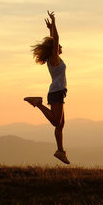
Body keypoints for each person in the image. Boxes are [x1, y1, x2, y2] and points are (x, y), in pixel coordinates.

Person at [24, 11, 70, 164]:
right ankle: (38, 103)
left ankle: (60, 151)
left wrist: (50, 28)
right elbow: (56, 40)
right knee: (57, 123)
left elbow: (53, 40)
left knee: (60, 125)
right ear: (55, 49)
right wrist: (54, 23)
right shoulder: (54, 58)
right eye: (58, 46)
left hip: (58, 92)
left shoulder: (54, 58)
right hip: (56, 92)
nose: (60, 46)